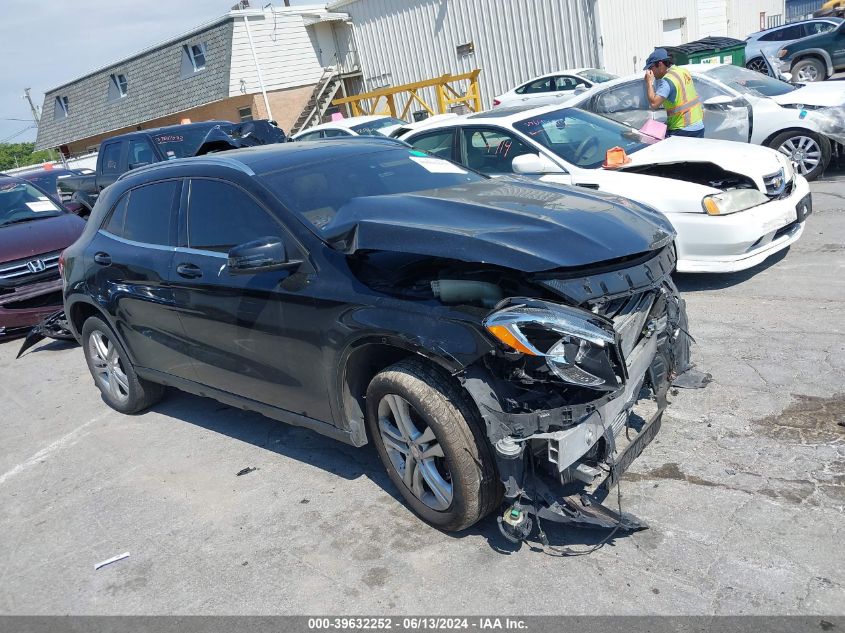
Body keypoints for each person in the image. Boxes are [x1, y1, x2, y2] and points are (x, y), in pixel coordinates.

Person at [643, 48, 705, 138]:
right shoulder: (683, 71)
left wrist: (649, 82)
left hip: (682, 130)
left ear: (660, 64)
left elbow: (654, 104)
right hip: (698, 126)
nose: (650, 72)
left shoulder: (667, 81)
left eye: (651, 68)